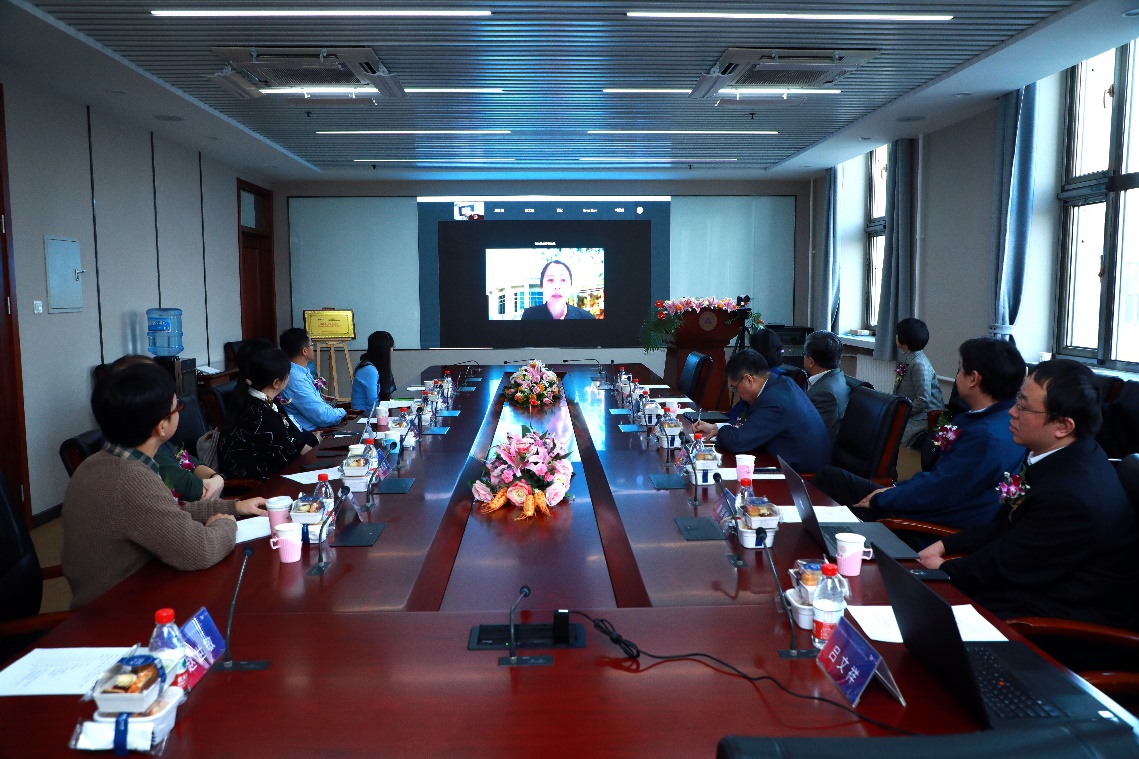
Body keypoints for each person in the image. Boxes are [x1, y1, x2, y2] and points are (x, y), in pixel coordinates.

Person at [918, 360, 1139, 630]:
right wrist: (945, 545)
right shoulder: (1065, 452)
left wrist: (944, 570)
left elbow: (1007, 563)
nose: (1012, 412)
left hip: (1054, 625)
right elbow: (1004, 525)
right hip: (1030, 589)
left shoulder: (1070, 495)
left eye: (1023, 407)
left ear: (1063, 426)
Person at [61, 363, 267, 609]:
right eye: (177, 407)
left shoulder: (101, 461)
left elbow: (167, 514)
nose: (180, 412)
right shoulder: (130, 480)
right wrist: (226, 523)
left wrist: (235, 507)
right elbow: (200, 550)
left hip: (141, 587)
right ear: (162, 426)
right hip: (119, 611)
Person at [814, 338, 1027, 529]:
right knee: (832, 478)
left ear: (973, 379)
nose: (957, 376)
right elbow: (940, 478)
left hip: (927, 523)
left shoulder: (985, 436)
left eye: (960, 370)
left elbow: (939, 493)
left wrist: (883, 498)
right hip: (925, 499)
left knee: (831, 487)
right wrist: (894, 488)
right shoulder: (1001, 420)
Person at [105, 354, 225, 502]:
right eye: (177, 407)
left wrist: (215, 477)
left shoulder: (155, 441)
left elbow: (189, 461)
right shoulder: (151, 457)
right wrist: (216, 481)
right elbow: (194, 491)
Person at [692, 349, 830, 472]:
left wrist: (722, 431)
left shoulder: (773, 402)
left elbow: (737, 442)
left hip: (801, 477)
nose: (737, 393)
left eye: (735, 387)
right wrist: (717, 427)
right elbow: (752, 426)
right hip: (784, 462)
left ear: (749, 380)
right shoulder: (782, 383)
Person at [220, 347, 313, 480]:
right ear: (276, 383)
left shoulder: (251, 400)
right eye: (287, 375)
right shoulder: (261, 414)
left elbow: (286, 441)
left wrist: (315, 452)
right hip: (260, 485)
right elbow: (289, 458)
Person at [277, 327, 347, 431]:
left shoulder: (302, 372)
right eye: (311, 345)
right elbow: (323, 417)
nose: (313, 348)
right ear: (304, 351)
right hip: (311, 434)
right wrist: (343, 412)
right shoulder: (295, 378)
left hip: (318, 429)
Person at [893, 317, 945, 448]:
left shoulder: (919, 364)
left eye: (898, 333)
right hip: (915, 412)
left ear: (904, 340)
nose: (896, 336)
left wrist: (902, 413)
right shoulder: (910, 358)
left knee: (892, 432)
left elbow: (923, 400)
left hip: (925, 416)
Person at [802, 331, 850, 442]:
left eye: (804, 353)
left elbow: (811, 433)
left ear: (811, 362)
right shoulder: (836, 376)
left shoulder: (825, 393)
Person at [519, 260, 596, 320]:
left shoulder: (586, 317)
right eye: (550, 280)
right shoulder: (529, 315)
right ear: (542, 286)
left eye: (563, 280)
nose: (557, 286)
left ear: (570, 286)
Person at [351, 330, 396, 411]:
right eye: (392, 347)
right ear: (384, 350)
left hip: (372, 411)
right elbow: (372, 403)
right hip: (364, 414)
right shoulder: (369, 370)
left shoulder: (374, 366)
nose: (392, 350)